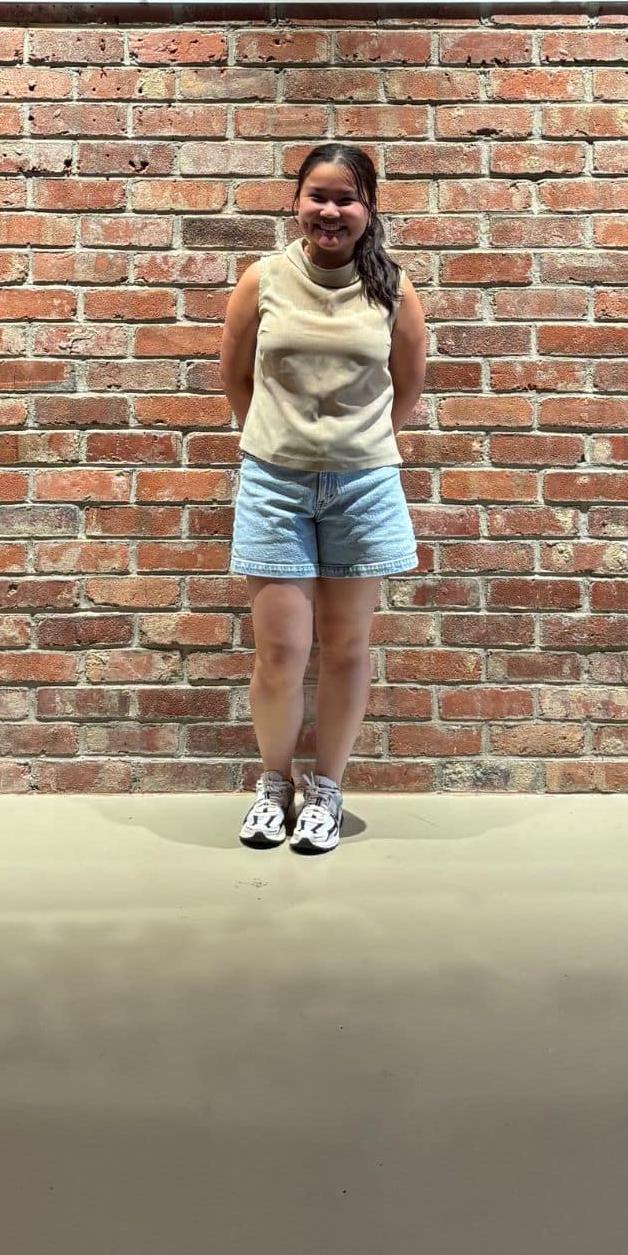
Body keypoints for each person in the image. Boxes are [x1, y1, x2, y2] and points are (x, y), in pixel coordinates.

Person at [218, 142, 428, 855]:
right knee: (280, 651)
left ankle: (327, 792)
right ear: (296, 202)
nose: (330, 212)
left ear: (368, 209)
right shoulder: (263, 279)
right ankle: (274, 786)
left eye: (345, 199)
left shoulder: (393, 289)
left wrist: (357, 446)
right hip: (275, 483)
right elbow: (234, 376)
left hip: (364, 488)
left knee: (345, 649)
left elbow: (408, 385)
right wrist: (278, 441)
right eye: (318, 196)